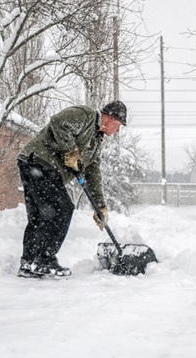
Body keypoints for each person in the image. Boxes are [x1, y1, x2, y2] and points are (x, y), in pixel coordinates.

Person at [15, 101, 127, 278]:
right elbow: (58, 122)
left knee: (39, 216)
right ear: (110, 118)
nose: (117, 130)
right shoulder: (86, 115)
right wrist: (71, 152)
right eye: (118, 125)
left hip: (37, 165)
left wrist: (100, 206)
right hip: (39, 162)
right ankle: (44, 260)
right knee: (62, 208)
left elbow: (93, 173)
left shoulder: (96, 143)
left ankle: (28, 263)